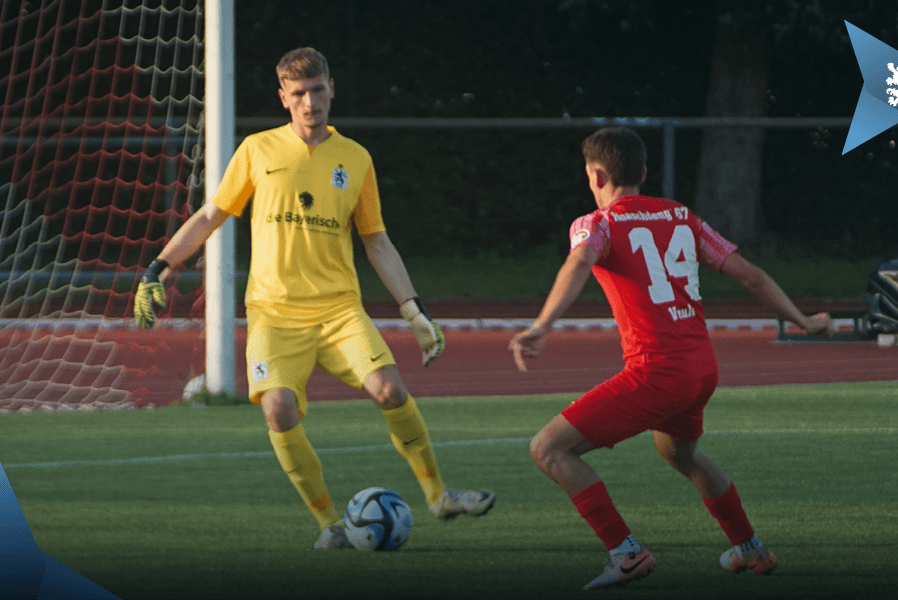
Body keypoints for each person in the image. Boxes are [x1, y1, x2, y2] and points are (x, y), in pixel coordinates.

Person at [134, 47, 494, 549]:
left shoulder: (356, 158)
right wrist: (160, 266)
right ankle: (329, 524)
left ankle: (438, 495)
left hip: (339, 310)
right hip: (274, 315)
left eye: (318, 90)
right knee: (277, 408)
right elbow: (211, 215)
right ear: (284, 98)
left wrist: (413, 309)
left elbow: (376, 240)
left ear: (331, 90)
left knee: (390, 389)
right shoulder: (257, 150)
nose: (310, 102)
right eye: (298, 93)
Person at [509, 127, 833, 590]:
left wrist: (541, 325)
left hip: (657, 374)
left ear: (597, 175)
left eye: (588, 176)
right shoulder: (682, 217)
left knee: (548, 449)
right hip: (701, 369)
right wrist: (802, 320)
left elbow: (580, 261)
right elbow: (752, 277)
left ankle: (626, 553)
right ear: (642, 172)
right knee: (680, 454)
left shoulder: (595, 223)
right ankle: (750, 549)